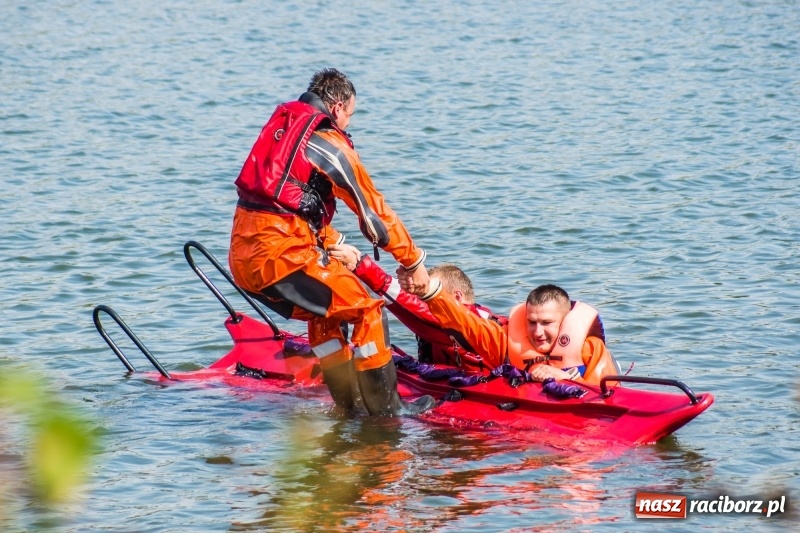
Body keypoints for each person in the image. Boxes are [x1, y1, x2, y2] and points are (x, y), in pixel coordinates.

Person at [228, 68, 434, 416]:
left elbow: (282, 204)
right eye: (350, 116)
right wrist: (413, 261)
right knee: (367, 311)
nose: (348, 125)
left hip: (244, 260)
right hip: (281, 258)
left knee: (326, 315)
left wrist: (331, 240)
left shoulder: (280, 130)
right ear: (338, 107)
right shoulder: (327, 142)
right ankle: (387, 413)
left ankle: (350, 406)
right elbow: (374, 214)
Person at [398, 268, 618, 385]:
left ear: (565, 320)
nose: (538, 332)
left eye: (547, 323)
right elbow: (463, 322)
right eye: (532, 322)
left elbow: (612, 398)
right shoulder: (506, 340)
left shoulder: (590, 349)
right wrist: (427, 292)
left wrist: (562, 377)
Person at [328, 244, 505, 372]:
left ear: (457, 298)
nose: (425, 300)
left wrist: (359, 265)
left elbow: (410, 306)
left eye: (429, 294)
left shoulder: (474, 327)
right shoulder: (442, 325)